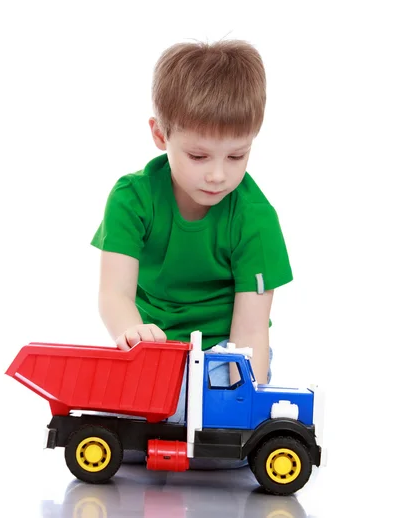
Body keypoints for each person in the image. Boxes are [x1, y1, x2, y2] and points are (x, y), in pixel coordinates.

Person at [91, 40, 293, 456]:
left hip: (223, 353)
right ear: (160, 134)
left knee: (207, 425)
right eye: (199, 156)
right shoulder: (132, 198)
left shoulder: (255, 219)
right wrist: (133, 335)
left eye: (237, 155)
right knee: (136, 433)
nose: (219, 175)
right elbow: (114, 294)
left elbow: (251, 330)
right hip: (152, 347)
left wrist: (243, 407)